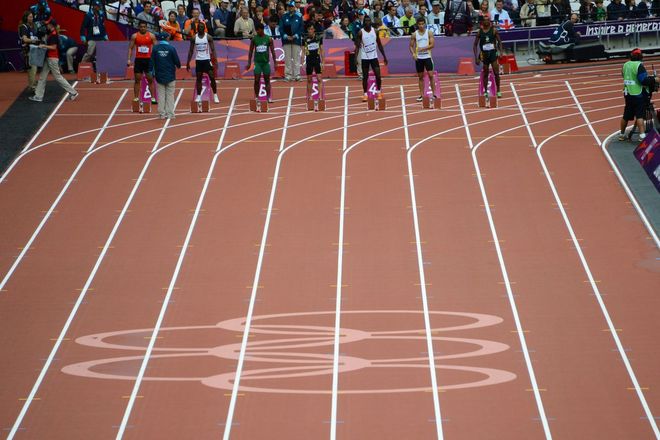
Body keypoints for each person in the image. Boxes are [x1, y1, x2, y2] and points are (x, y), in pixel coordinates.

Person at [30, 20, 79, 103]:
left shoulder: (53, 35)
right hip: (49, 58)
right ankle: (38, 96)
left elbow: (53, 47)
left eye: (48, 24)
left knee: (58, 77)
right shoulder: (51, 34)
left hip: (52, 58)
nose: (46, 26)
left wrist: (44, 46)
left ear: (51, 25)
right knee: (42, 76)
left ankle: (73, 92)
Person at [619, 48, 657, 141]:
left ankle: (622, 134)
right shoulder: (639, 66)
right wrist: (654, 79)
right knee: (640, 115)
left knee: (626, 115)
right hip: (638, 94)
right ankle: (642, 136)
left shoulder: (625, 64)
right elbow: (643, 81)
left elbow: (623, 75)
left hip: (628, 93)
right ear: (641, 56)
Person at [354, 16, 388, 102]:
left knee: (378, 75)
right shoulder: (360, 32)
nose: (367, 22)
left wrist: (384, 57)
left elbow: (379, 44)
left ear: (371, 22)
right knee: (365, 77)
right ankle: (365, 94)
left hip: (374, 57)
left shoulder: (375, 31)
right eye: (366, 21)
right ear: (364, 22)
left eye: (369, 21)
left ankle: (378, 92)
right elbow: (357, 47)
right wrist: (355, 58)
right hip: (365, 57)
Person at [186, 21, 220, 103]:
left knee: (212, 77)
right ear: (197, 29)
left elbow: (213, 50)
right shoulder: (194, 38)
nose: (201, 28)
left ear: (204, 28)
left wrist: (215, 60)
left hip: (207, 60)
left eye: (202, 27)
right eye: (199, 27)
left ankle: (215, 95)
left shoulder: (208, 37)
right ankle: (198, 96)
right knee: (199, 78)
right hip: (198, 60)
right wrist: (188, 62)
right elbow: (191, 51)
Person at [127, 21, 158, 104]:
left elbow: (156, 48)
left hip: (148, 60)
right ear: (139, 27)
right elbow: (130, 48)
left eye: (144, 27)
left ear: (146, 27)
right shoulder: (134, 36)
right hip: (138, 60)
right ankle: (136, 98)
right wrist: (129, 59)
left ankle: (153, 98)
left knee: (150, 79)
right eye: (141, 27)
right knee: (137, 80)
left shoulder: (151, 36)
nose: (143, 28)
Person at [151, 33, 181, 120]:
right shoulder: (171, 48)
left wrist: (151, 72)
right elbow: (177, 61)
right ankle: (170, 114)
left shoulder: (155, 48)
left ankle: (161, 114)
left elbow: (151, 61)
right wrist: (178, 66)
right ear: (167, 38)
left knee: (161, 95)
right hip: (170, 75)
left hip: (159, 75)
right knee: (170, 95)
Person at [473, 13, 502, 98]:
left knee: (496, 72)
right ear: (482, 22)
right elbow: (475, 45)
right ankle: (485, 91)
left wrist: (501, 52)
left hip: (493, 53)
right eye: (484, 20)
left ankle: (498, 90)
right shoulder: (480, 32)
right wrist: (476, 57)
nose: (486, 22)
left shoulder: (494, 30)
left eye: (487, 20)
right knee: (485, 73)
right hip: (484, 54)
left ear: (490, 21)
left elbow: (499, 42)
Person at [247, 22, 276, 102]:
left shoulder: (268, 39)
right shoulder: (254, 39)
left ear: (262, 29)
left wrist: (275, 62)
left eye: (258, 30)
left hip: (266, 63)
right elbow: (250, 51)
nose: (257, 32)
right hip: (257, 63)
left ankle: (268, 97)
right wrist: (249, 63)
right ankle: (256, 97)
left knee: (267, 80)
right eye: (256, 30)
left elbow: (273, 51)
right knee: (256, 80)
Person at [410, 17, 436, 102]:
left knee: (431, 75)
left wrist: (423, 48)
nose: (421, 26)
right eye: (419, 24)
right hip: (419, 58)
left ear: (425, 24)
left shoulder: (429, 33)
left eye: (422, 24)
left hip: (427, 57)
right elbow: (411, 46)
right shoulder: (414, 34)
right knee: (420, 77)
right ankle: (421, 95)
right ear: (417, 25)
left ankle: (434, 94)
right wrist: (413, 54)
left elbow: (432, 45)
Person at [279, 1, 304, 82]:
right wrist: (286, 36)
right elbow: (281, 28)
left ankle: (297, 75)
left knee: (296, 58)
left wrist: (295, 35)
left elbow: (301, 28)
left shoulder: (299, 16)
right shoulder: (284, 16)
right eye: (289, 7)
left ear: (294, 7)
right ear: (287, 7)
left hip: (296, 40)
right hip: (286, 41)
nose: (290, 8)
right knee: (287, 59)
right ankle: (288, 75)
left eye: (292, 6)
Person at [19, 11, 39, 91]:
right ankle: (33, 87)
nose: (32, 18)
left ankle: (32, 85)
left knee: (33, 70)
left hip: (33, 50)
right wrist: (34, 41)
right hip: (28, 51)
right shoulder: (23, 27)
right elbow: (24, 39)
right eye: (30, 17)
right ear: (26, 18)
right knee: (32, 70)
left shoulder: (32, 26)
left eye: (32, 17)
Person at [302, 23, 324, 98]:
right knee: (309, 79)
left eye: (312, 29)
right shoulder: (304, 39)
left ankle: (320, 96)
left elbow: (322, 50)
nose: (310, 31)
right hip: (309, 60)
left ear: (314, 30)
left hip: (317, 60)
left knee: (319, 78)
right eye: (309, 29)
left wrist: (323, 62)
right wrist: (302, 62)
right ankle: (309, 96)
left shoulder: (318, 38)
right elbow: (303, 52)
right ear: (307, 30)